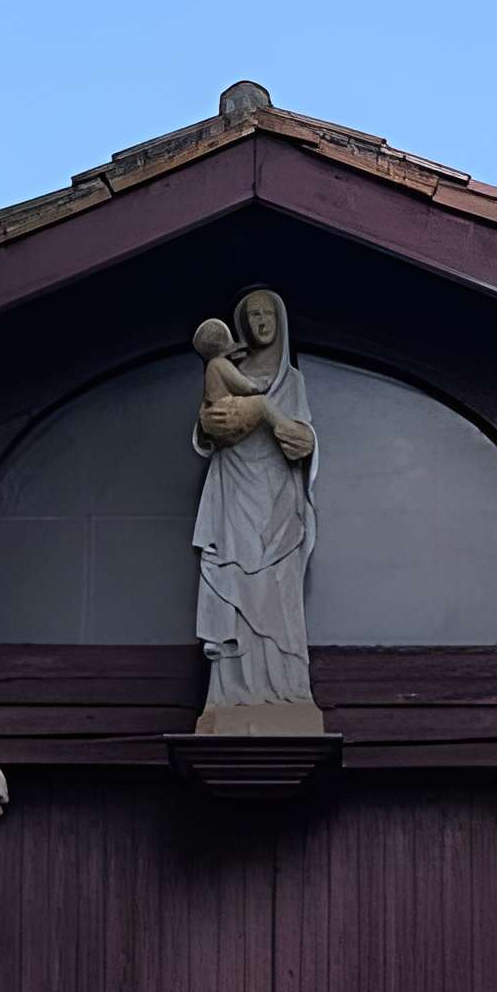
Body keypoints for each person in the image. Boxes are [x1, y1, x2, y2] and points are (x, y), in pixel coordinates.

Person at [189, 288, 319, 717]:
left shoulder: (292, 381)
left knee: (277, 585)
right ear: (242, 325)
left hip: (277, 493)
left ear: (279, 321)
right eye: (254, 315)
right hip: (234, 487)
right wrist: (209, 425)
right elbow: (209, 426)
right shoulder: (227, 369)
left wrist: (288, 429)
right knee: (233, 577)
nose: (262, 323)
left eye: (268, 315)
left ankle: (284, 686)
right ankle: (231, 692)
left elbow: (301, 442)